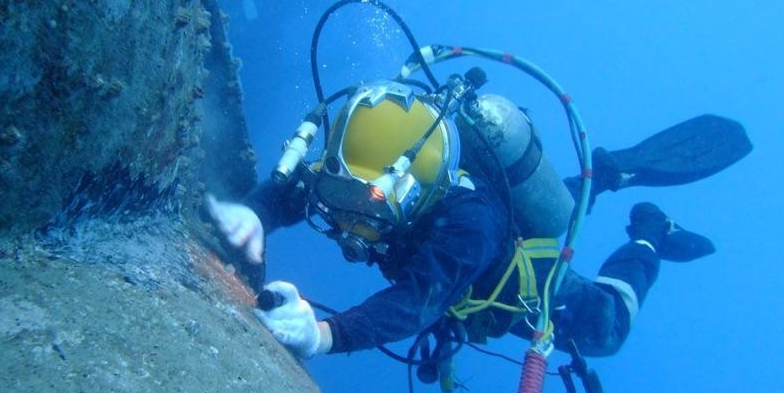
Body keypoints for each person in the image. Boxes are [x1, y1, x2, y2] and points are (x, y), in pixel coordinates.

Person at [206, 80, 750, 361]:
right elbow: (302, 188)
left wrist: (325, 334)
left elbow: (420, 298)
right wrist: (256, 213)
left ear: (409, 188)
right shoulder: (377, 160)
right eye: (340, 193)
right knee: (532, 214)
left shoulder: (471, 226)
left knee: (607, 330)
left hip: (513, 282)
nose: (349, 222)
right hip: (483, 217)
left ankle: (651, 233)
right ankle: (602, 176)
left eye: (368, 205)